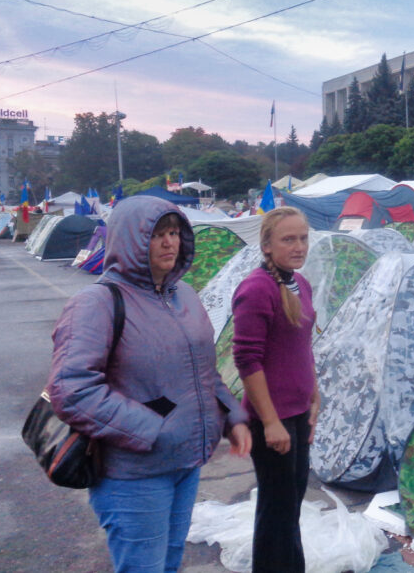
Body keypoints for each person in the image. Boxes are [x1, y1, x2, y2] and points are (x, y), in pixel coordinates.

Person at [49, 195, 251, 573]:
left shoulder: (185, 296)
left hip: (186, 463)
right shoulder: (97, 303)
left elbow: (204, 371)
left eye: (174, 232)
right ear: (129, 239)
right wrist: (150, 429)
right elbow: (72, 389)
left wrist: (232, 417)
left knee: (170, 562)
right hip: (133, 475)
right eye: (157, 235)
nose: (169, 242)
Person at [232, 207, 319, 572]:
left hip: (298, 411)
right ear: (267, 245)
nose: (299, 246)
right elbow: (247, 359)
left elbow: (302, 346)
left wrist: (314, 396)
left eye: (303, 238)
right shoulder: (256, 289)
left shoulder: (300, 283)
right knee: (277, 509)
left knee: (290, 504)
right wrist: (269, 422)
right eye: (288, 239)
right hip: (273, 418)